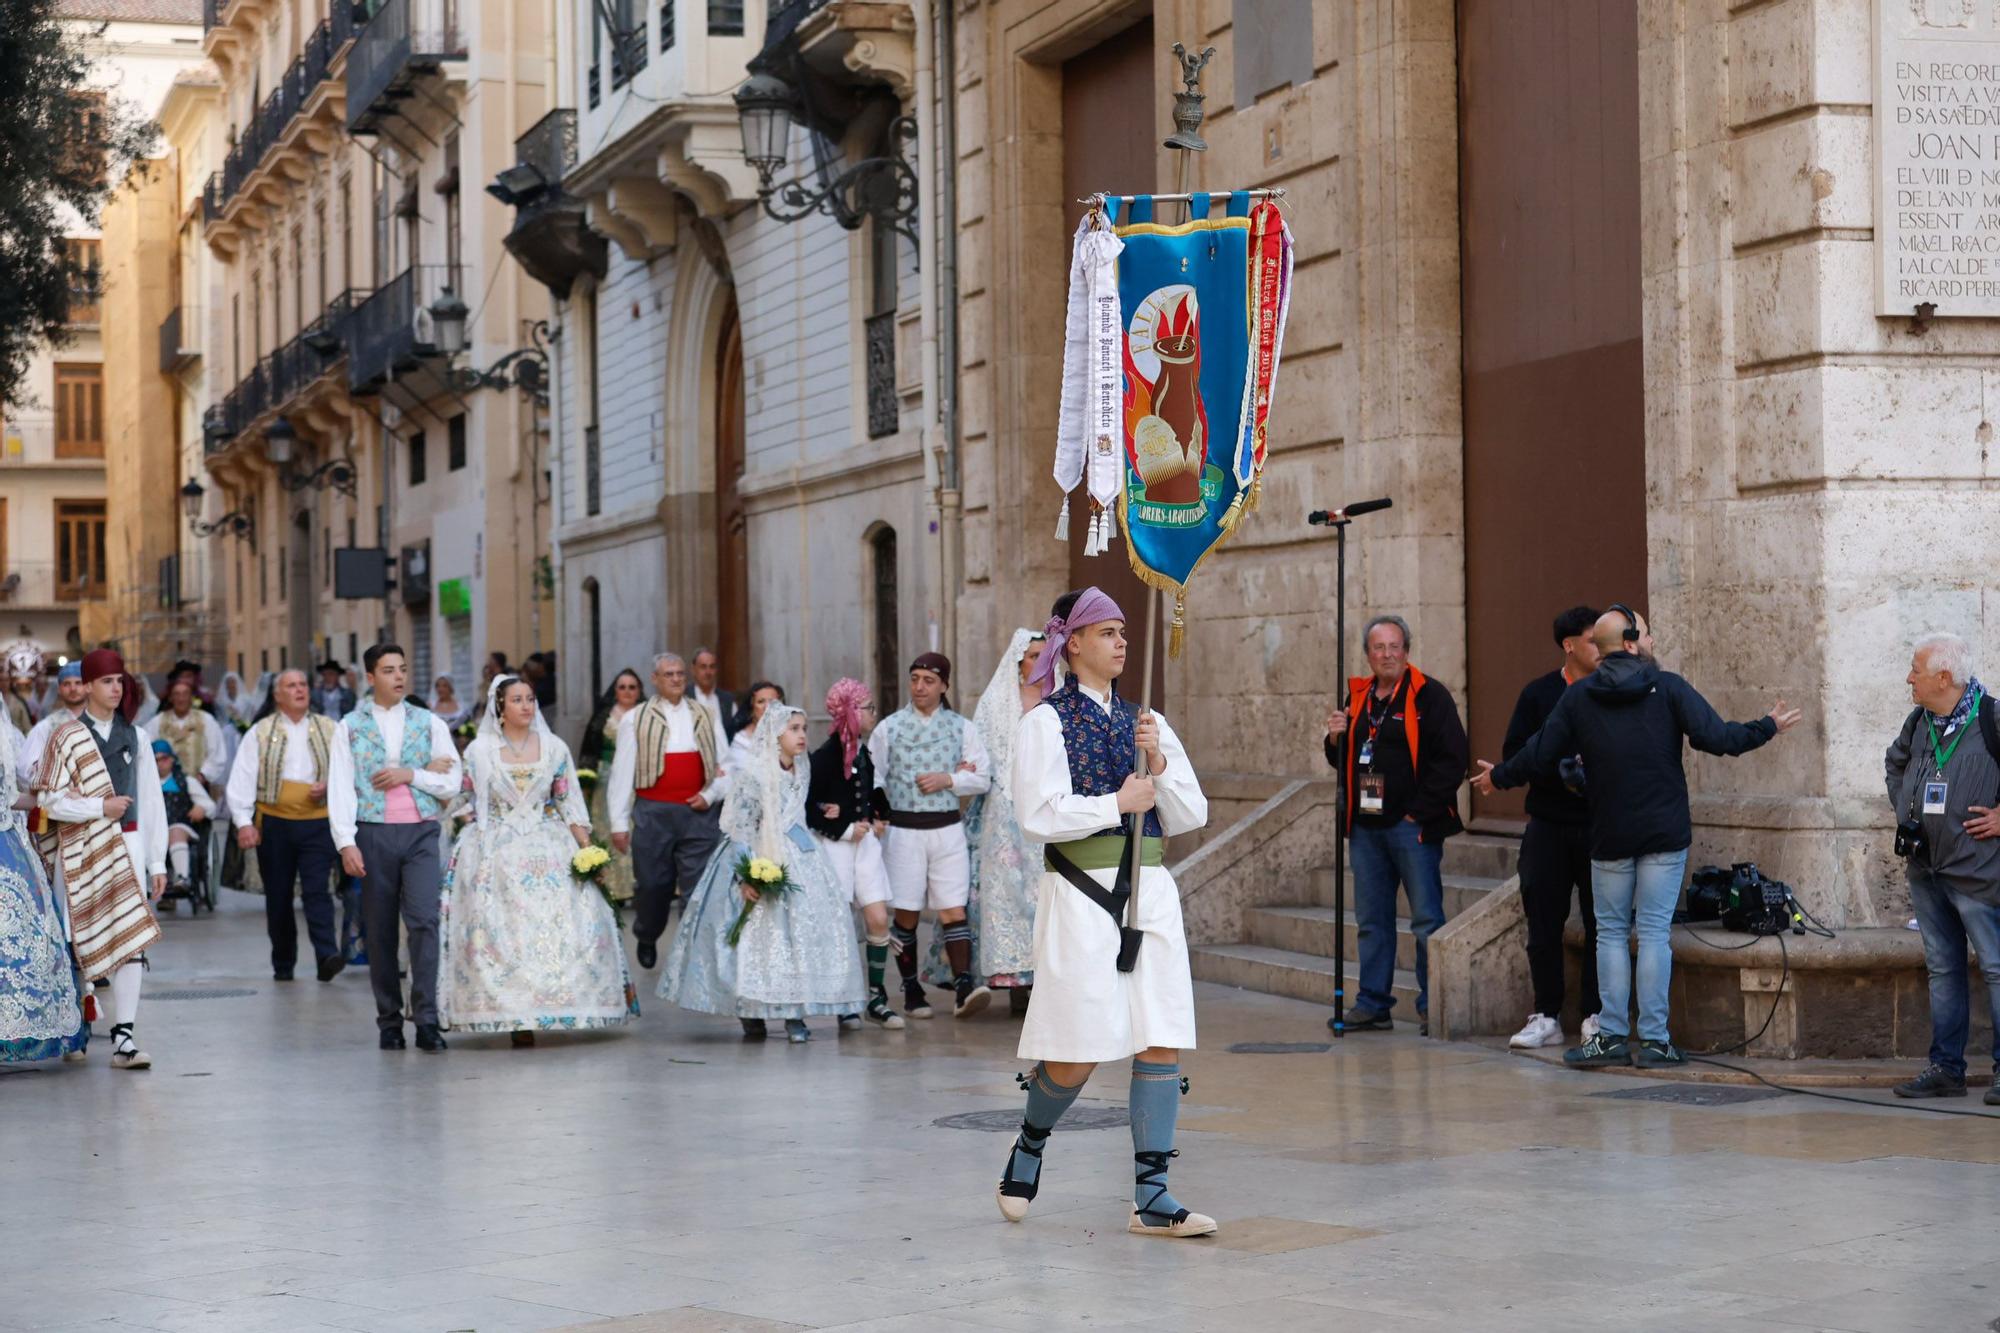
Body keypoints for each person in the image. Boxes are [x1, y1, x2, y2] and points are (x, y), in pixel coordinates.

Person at [1473, 605, 1800, 1068]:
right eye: (1645, 633)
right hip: (1664, 833)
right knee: (1651, 934)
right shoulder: (1666, 688)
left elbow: (1538, 754)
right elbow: (1718, 737)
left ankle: (1608, 1037)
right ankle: (1653, 1040)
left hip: (1608, 833)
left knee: (1608, 933)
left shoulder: (1580, 696)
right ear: (1629, 642)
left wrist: (1498, 778)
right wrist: (1767, 727)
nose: (1652, 640)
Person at [997, 587, 1215, 1238]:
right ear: (1074, 643)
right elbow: (1036, 814)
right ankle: (1031, 1139)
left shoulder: (1147, 719)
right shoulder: (1044, 722)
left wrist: (1160, 762)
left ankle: (1153, 1194)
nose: (1122, 642)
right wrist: (1115, 801)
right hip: (1082, 892)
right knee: (1080, 1044)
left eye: (1125, 631)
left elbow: (1191, 813)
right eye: (1109, 631)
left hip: (1150, 890)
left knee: (1160, 1031)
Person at [438, 676, 637, 1045]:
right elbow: (461, 795)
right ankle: (514, 1015)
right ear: (500, 707)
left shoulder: (555, 748)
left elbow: (568, 802)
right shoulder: (479, 751)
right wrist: (433, 796)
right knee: (504, 930)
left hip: (550, 844)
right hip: (495, 850)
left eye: (530, 698)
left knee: (561, 924)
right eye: (517, 700)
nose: (527, 706)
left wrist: (588, 851)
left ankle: (559, 1004)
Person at [659, 703, 868, 1042]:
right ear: (775, 734)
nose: (801, 735)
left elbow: (794, 809)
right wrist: (747, 876)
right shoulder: (754, 774)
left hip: (802, 855)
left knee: (802, 934)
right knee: (759, 937)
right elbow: (741, 828)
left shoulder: (802, 768)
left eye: (803, 728)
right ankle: (752, 1009)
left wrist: (820, 808)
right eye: (793, 729)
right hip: (761, 853)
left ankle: (794, 1012)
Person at [1323, 614, 1469, 1034]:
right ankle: (1373, 1003)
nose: (1386, 654)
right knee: (1372, 920)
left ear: (1406, 650)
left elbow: (1452, 759)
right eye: (1378, 648)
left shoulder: (1430, 696)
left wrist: (1418, 811)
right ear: (1368, 654)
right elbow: (1344, 760)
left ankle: (1432, 1004)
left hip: (1413, 828)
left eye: (1394, 647)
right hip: (1367, 828)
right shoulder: (1360, 696)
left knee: (1426, 918)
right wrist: (1335, 738)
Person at [32, 649, 167, 1070]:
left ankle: (124, 1037)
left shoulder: (137, 736)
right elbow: (49, 802)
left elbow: (151, 801)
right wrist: (98, 808)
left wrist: (158, 861)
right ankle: (76, 1027)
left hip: (127, 846)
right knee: (74, 940)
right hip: (78, 850)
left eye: (119, 681)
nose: (115, 688)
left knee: (130, 941)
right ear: (87, 686)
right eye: (107, 681)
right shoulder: (65, 736)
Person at [1884, 632, 2000, 1103]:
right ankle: (1945, 1069)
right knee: (1942, 970)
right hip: (1925, 867)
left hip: (1977, 872)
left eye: (1916, 670)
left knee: (1996, 968)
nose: (1909, 678)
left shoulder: (1992, 717)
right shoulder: (1919, 721)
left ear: (1944, 677)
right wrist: (1906, 811)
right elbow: (1894, 764)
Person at [330, 644, 463, 1052]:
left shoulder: (429, 722)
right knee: (381, 930)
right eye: (389, 670)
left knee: (424, 921)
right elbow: (340, 788)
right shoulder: (349, 726)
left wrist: (411, 774)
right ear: (371, 678)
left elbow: (452, 780)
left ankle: (425, 1019)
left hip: (422, 832)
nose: (399, 677)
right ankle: (389, 1021)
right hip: (373, 834)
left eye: (403, 669)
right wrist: (346, 842)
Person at [925, 631, 1046, 1004]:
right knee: (1004, 892)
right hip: (1003, 811)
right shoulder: (997, 702)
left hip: (1046, 805)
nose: (1040, 662)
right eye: (1033, 656)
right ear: (1018, 662)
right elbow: (980, 754)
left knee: (1043, 895)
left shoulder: (1060, 699)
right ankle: (1012, 980)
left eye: (1045, 655)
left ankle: (1041, 979)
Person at [871, 652, 993, 1020]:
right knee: (906, 912)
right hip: (905, 831)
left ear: (944, 686)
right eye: (915, 679)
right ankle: (910, 988)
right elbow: (873, 776)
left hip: (946, 828)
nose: (919, 686)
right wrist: (879, 812)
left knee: (953, 908)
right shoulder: (889, 728)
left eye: (928, 680)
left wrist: (949, 779)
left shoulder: (962, 728)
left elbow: (983, 777)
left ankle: (964, 986)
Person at [1503, 606, 1604, 1050]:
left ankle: (1596, 1015)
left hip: (1600, 825)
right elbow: (1514, 753)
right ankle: (1546, 1014)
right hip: (1547, 824)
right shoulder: (1538, 694)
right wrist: (1558, 770)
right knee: (1543, 922)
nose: (1601, 650)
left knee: (1605, 923)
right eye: (1592, 641)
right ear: (1569, 645)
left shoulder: (1611, 690)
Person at [607, 653, 724, 970]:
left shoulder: (706, 714)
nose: (675, 679)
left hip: (698, 812)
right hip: (653, 812)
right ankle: (647, 933)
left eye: (680, 674)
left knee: (698, 884)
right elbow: (621, 772)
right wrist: (618, 823)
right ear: (655, 680)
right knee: (653, 885)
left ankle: (691, 950)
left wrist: (711, 794)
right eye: (668, 674)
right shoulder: (637, 718)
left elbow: (724, 765)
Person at [227, 669, 344, 982]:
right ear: (277, 695)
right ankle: (283, 961)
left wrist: (328, 785)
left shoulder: (330, 729)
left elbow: (348, 773)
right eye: (291, 685)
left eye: (303, 684)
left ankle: (326, 955)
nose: (299, 690)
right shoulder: (261, 732)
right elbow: (242, 779)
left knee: (318, 891)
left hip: (317, 822)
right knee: (278, 896)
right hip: (275, 823)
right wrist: (243, 822)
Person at [808, 677, 901, 1029]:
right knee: (842, 923)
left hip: (866, 848)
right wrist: (845, 827)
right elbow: (810, 808)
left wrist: (880, 816)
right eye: (867, 707)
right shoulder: (825, 757)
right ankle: (846, 999)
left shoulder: (862, 751)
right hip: (836, 848)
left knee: (878, 918)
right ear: (849, 710)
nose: (872, 713)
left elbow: (870, 791)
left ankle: (876, 996)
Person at [0, 713, 87, 1065]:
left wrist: (51, 798)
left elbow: (9, 797)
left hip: (7, 844)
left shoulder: (6, 734)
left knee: (19, 935)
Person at [577, 668, 644, 913]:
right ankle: (614, 887)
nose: (627, 691)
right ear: (615, 691)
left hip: (641, 778)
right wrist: (586, 781)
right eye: (622, 686)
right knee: (608, 830)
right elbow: (590, 749)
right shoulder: (604, 716)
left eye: (632, 687)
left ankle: (641, 885)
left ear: (639, 691)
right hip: (608, 780)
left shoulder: (646, 714)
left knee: (639, 831)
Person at [151, 739, 215, 897]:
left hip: (180, 826)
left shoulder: (186, 782)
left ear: (172, 759)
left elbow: (210, 805)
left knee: (176, 831)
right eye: (155, 760)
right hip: (153, 829)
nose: (160, 763)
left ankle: (182, 877)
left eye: (164, 758)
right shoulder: (145, 783)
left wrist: (201, 808)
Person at [146, 677, 230, 793]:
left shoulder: (206, 720)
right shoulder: (157, 722)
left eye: (185, 694)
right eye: (177, 694)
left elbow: (217, 754)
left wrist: (203, 775)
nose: (181, 698)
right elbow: (146, 752)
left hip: (199, 786)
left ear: (192, 697)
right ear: (171, 698)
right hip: (165, 789)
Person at [18, 661, 87, 788]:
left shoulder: (100, 722)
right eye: (67, 684)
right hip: (62, 803)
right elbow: (25, 771)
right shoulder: (46, 727)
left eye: (78, 683)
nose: (73, 688)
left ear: (88, 687)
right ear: (59, 689)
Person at [724, 681, 785, 780]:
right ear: (752, 708)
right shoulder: (740, 740)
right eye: (761, 701)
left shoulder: (789, 734)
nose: (767, 707)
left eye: (772, 702)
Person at [691, 647, 738, 743]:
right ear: (693, 670)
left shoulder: (727, 700)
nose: (708, 672)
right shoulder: (684, 697)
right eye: (703, 667)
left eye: (712, 667)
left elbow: (736, 734)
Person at [4, 644, 43, 734]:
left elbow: (27, 726)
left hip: (17, 741)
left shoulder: (18, 701)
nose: (3, 683)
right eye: (1, 680)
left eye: (6, 680)